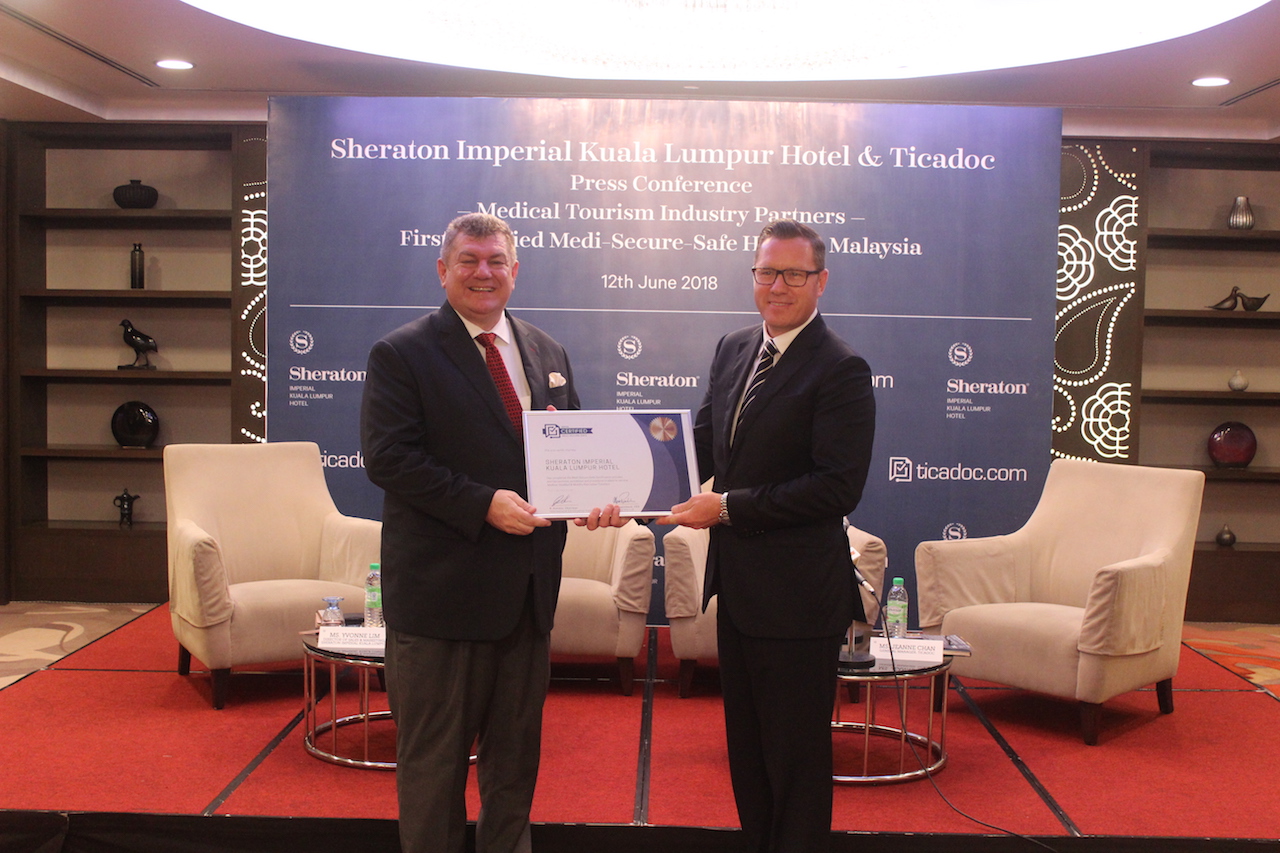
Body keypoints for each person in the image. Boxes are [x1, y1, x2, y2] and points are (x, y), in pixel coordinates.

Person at [360, 212, 621, 853]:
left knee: (514, 773)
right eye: (470, 260)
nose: (484, 273)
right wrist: (482, 504)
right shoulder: (402, 353)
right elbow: (389, 458)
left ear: (515, 270)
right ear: (443, 270)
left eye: (496, 261)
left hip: (526, 599)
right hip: (442, 601)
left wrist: (593, 500)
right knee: (434, 774)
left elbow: (575, 452)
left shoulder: (545, 351)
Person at [660, 219, 876, 853]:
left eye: (793, 274)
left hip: (800, 599)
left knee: (796, 761)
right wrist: (619, 466)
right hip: (742, 593)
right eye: (765, 272)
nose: (776, 286)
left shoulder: (840, 369)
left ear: (820, 281)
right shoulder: (734, 349)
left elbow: (836, 488)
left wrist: (725, 508)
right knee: (748, 754)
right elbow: (699, 443)